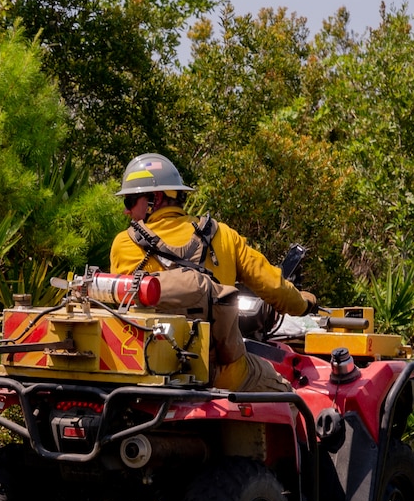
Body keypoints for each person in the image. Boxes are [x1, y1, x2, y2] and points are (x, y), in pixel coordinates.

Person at [108, 153, 315, 391]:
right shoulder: (222, 235)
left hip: (150, 374)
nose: (127, 211)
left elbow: (122, 304)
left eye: (129, 201)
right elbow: (274, 286)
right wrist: (304, 304)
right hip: (221, 373)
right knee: (288, 397)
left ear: (154, 198)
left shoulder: (124, 244)